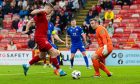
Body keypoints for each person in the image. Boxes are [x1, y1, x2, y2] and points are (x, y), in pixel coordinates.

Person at [22, 3, 67, 76]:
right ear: (47, 8)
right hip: (40, 38)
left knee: (42, 56)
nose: (51, 12)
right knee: (54, 52)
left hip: (42, 38)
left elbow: (30, 21)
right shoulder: (42, 13)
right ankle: (59, 70)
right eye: (51, 10)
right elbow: (32, 12)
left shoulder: (43, 17)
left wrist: (27, 29)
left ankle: (27, 65)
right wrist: (42, 9)